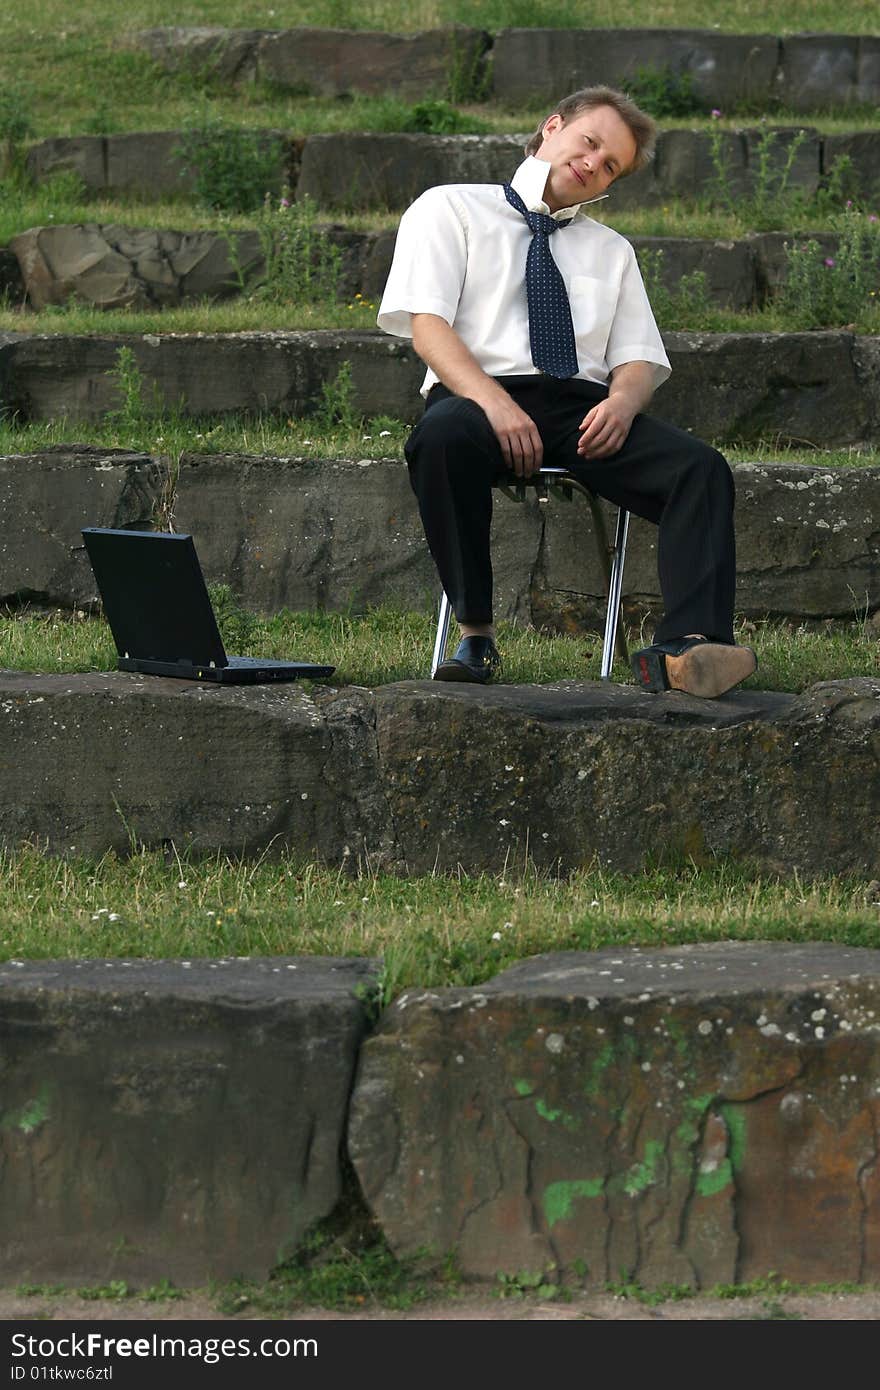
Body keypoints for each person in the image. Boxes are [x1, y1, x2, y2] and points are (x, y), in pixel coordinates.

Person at [377, 85, 757, 698]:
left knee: (700, 469)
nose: (593, 163)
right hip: (476, 398)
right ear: (552, 127)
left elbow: (636, 357)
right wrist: (494, 404)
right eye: (590, 142)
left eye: (611, 165)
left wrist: (623, 402)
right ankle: (475, 635)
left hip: (580, 410)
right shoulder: (450, 208)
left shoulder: (612, 250)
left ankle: (689, 648)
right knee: (439, 436)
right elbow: (428, 327)